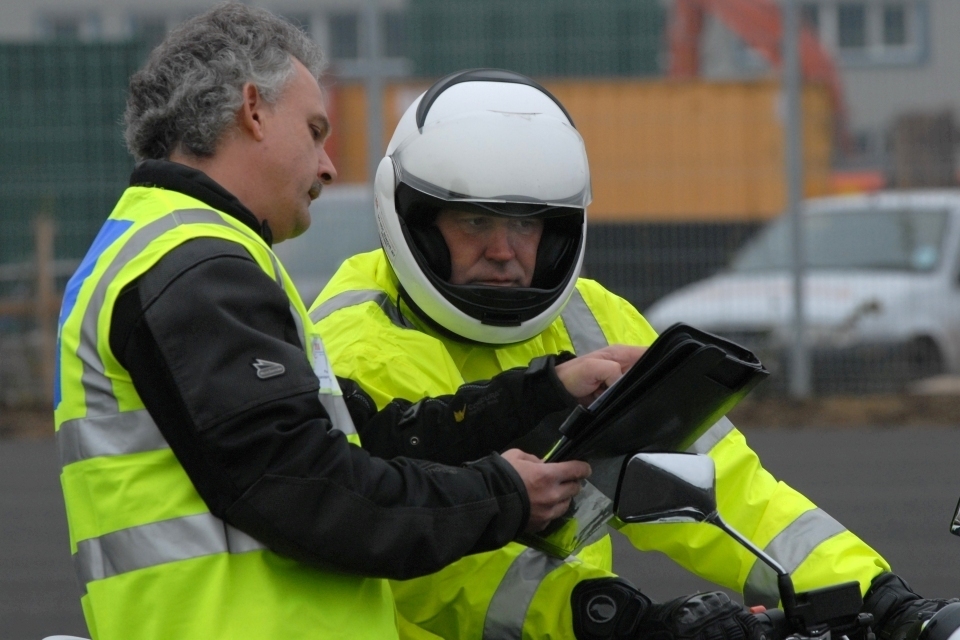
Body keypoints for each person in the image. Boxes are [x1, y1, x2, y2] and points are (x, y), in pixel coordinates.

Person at [50, 13, 645, 640]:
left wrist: (544, 392)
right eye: (314, 131)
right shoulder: (197, 263)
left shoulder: (168, 248)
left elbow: (363, 442)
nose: (329, 167)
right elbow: (311, 491)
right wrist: (504, 497)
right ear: (252, 110)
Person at [310, 68, 957, 640]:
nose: (505, 249)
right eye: (476, 222)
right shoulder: (363, 340)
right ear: (418, 220)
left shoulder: (590, 320)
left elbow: (727, 490)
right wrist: (612, 615)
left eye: (527, 224)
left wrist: (883, 600)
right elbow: (421, 556)